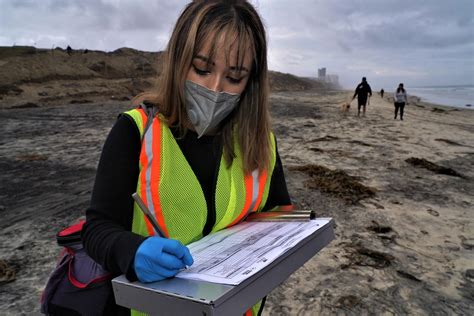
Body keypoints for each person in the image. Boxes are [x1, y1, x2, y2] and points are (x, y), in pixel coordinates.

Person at [81, 1, 292, 315]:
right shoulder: (135, 131)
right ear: (179, 60)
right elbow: (97, 229)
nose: (215, 88)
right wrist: (132, 250)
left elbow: (279, 214)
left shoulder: (263, 144)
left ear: (251, 82)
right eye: (202, 69)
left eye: (235, 77)